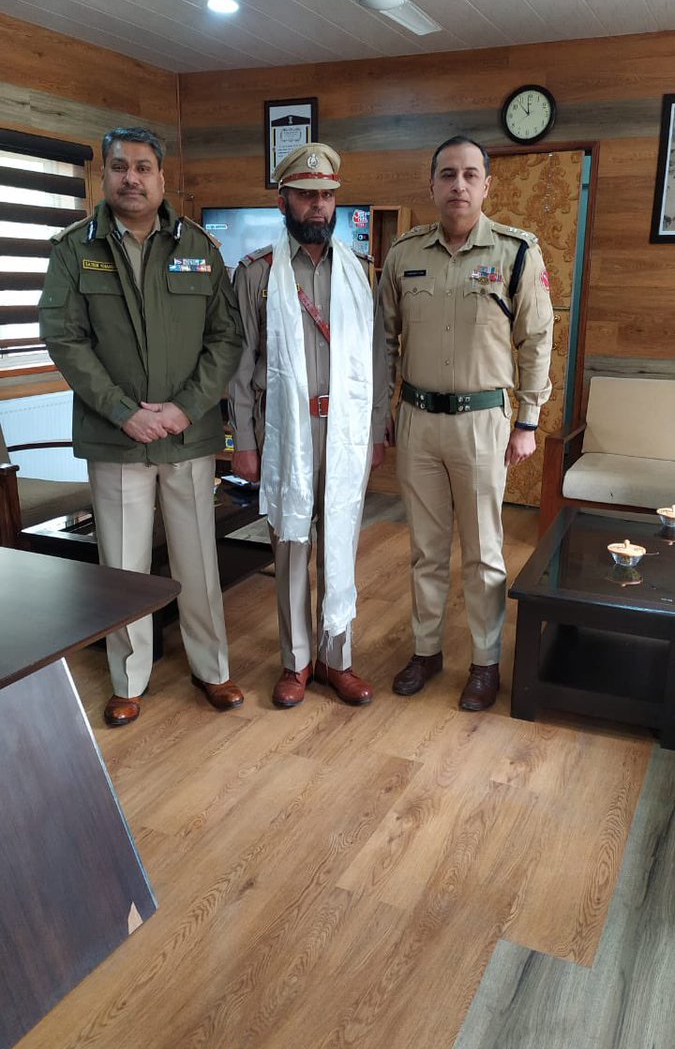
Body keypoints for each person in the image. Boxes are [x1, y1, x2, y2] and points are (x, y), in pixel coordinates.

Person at [39, 126, 244, 727]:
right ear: (105, 174)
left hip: (188, 433)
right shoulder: (74, 248)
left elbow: (225, 337)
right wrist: (122, 409)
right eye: (121, 166)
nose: (133, 177)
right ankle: (129, 678)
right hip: (115, 434)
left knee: (197, 559)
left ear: (162, 177)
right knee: (123, 565)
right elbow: (64, 336)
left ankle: (213, 669)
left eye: (145, 167)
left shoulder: (200, 247)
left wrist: (184, 408)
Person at [381, 135, 554, 711]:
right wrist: (383, 414)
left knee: (484, 552)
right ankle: (427, 650)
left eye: (470, 175)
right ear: (431, 184)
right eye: (448, 175)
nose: (459, 185)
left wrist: (527, 420)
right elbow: (384, 341)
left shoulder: (516, 252)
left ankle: (484, 662)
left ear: (487, 185)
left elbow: (536, 340)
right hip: (417, 420)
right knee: (426, 549)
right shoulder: (404, 255)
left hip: (483, 421)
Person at [228, 142, 388, 708]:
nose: (318, 207)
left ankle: (336, 659)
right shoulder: (257, 273)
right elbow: (240, 366)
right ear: (283, 200)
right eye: (306, 195)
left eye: (326, 196)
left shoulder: (357, 273)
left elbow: (376, 361)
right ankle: (296, 662)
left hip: (343, 432)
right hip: (285, 433)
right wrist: (243, 441)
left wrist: (374, 431)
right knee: (293, 547)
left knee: (339, 539)